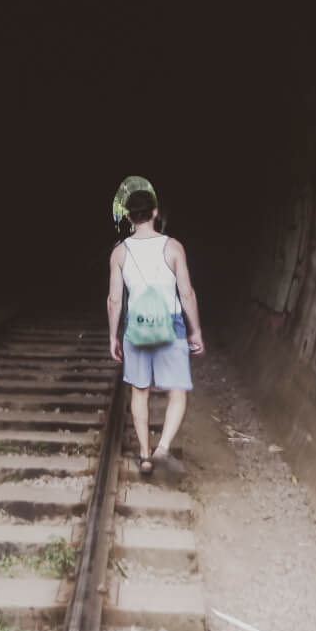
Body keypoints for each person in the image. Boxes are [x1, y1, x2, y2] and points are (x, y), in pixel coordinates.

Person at [107, 188, 205, 475]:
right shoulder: (173, 247)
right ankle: (163, 447)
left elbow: (114, 300)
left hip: (136, 326)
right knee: (177, 391)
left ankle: (145, 454)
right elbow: (186, 293)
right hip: (170, 324)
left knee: (140, 391)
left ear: (128, 217)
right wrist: (195, 330)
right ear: (154, 213)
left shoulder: (119, 252)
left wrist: (114, 335)